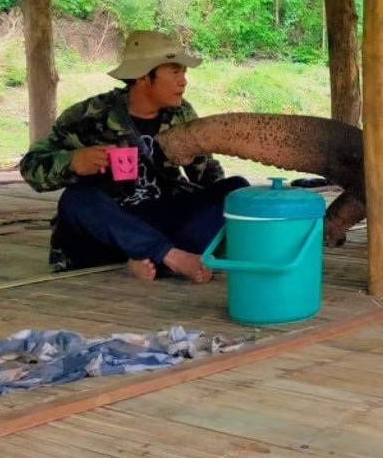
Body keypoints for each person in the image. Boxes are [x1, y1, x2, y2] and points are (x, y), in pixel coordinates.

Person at [20, 31, 248, 282]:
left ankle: (154, 255)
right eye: (174, 72)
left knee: (235, 190)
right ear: (142, 77)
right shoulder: (89, 115)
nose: (183, 81)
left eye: (184, 72)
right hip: (108, 226)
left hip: (159, 218)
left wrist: (198, 157)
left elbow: (207, 178)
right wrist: (73, 162)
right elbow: (31, 168)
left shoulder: (181, 114)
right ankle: (168, 257)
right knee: (76, 200)